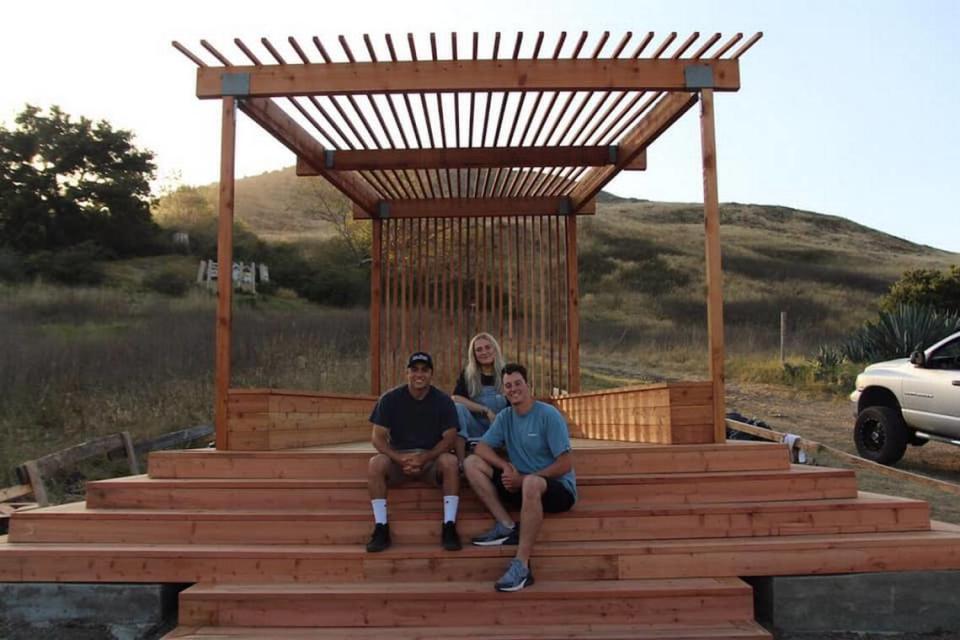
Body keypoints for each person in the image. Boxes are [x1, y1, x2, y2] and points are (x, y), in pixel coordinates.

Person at [463, 363, 577, 592]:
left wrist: (525, 479)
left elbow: (565, 464)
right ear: (503, 390)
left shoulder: (548, 415)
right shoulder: (505, 417)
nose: (513, 389)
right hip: (519, 484)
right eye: (508, 386)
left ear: (528, 385)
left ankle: (522, 566)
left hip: (555, 488)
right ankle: (506, 525)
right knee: (471, 463)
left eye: (517, 384)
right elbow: (482, 448)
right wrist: (504, 466)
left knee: (532, 484)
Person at [367, 351, 462, 553]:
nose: (419, 374)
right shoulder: (389, 399)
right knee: (375, 463)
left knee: (451, 462)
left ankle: (449, 526)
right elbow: (377, 437)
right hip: (399, 459)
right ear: (407, 373)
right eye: (414, 370)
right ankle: (381, 527)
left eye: (425, 370)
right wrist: (398, 458)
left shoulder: (443, 401)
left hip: (430, 460)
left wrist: (425, 457)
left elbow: (450, 437)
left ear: (431, 374)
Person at [451, 332, 509, 464]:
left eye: (488, 347)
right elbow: (456, 398)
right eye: (479, 349)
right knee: (458, 408)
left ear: (495, 349)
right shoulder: (468, 374)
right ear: (474, 355)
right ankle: (461, 463)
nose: (484, 352)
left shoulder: (507, 372)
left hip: (501, 427)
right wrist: (485, 410)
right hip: (475, 428)